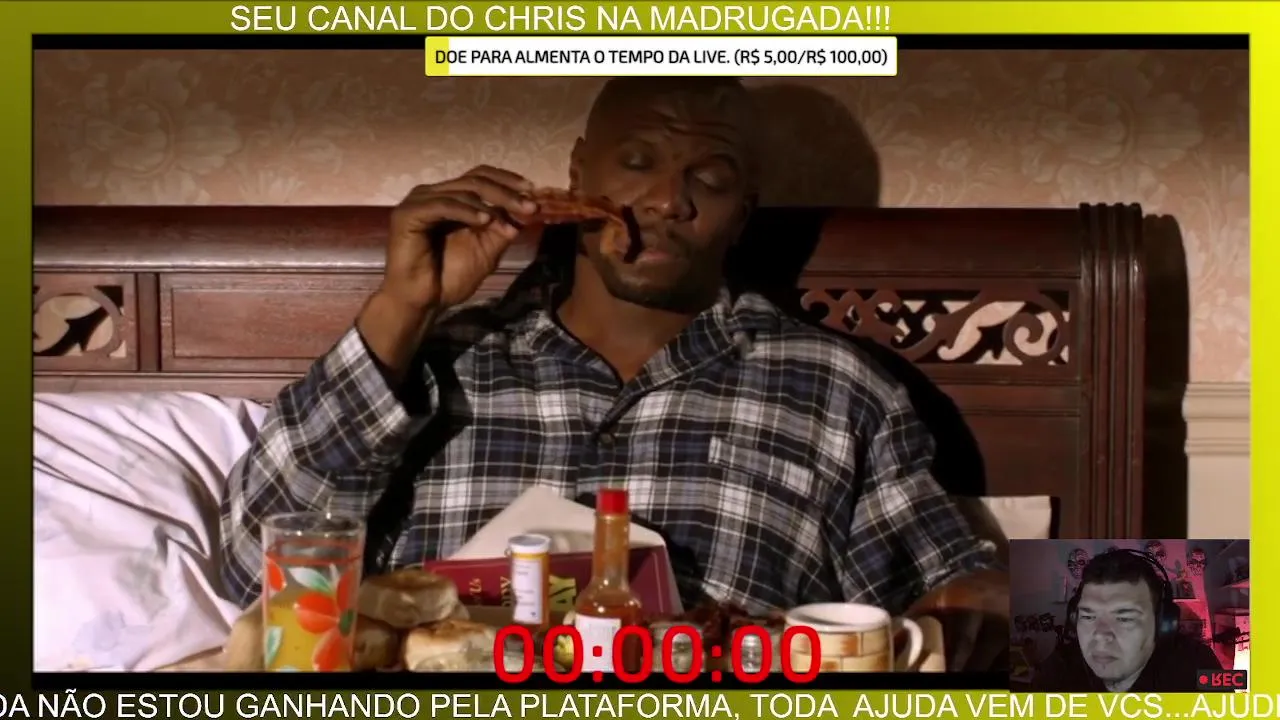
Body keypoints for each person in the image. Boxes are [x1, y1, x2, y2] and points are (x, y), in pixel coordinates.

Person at [219, 77, 1008, 669]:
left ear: (743, 213)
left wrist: (996, 600)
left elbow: (967, 592)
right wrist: (402, 306)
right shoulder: (431, 360)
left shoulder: (837, 388)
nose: (667, 199)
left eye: (711, 179)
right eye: (636, 162)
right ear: (577, 175)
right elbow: (251, 566)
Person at [1031, 549, 1224, 691]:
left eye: (1124, 618)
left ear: (1160, 622)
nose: (1101, 636)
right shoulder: (1059, 669)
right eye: (1089, 616)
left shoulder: (1199, 663)